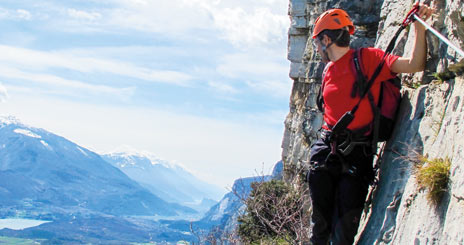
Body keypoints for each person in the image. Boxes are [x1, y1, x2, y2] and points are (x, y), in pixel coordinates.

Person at [306, 3, 434, 245]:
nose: (317, 48)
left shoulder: (368, 58)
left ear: (325, 40)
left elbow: (414, 65)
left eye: (317, 42)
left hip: (357, 157)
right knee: (319, 231)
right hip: (325, 155)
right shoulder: (327, 72)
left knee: (343, 234)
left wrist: (418, 27)